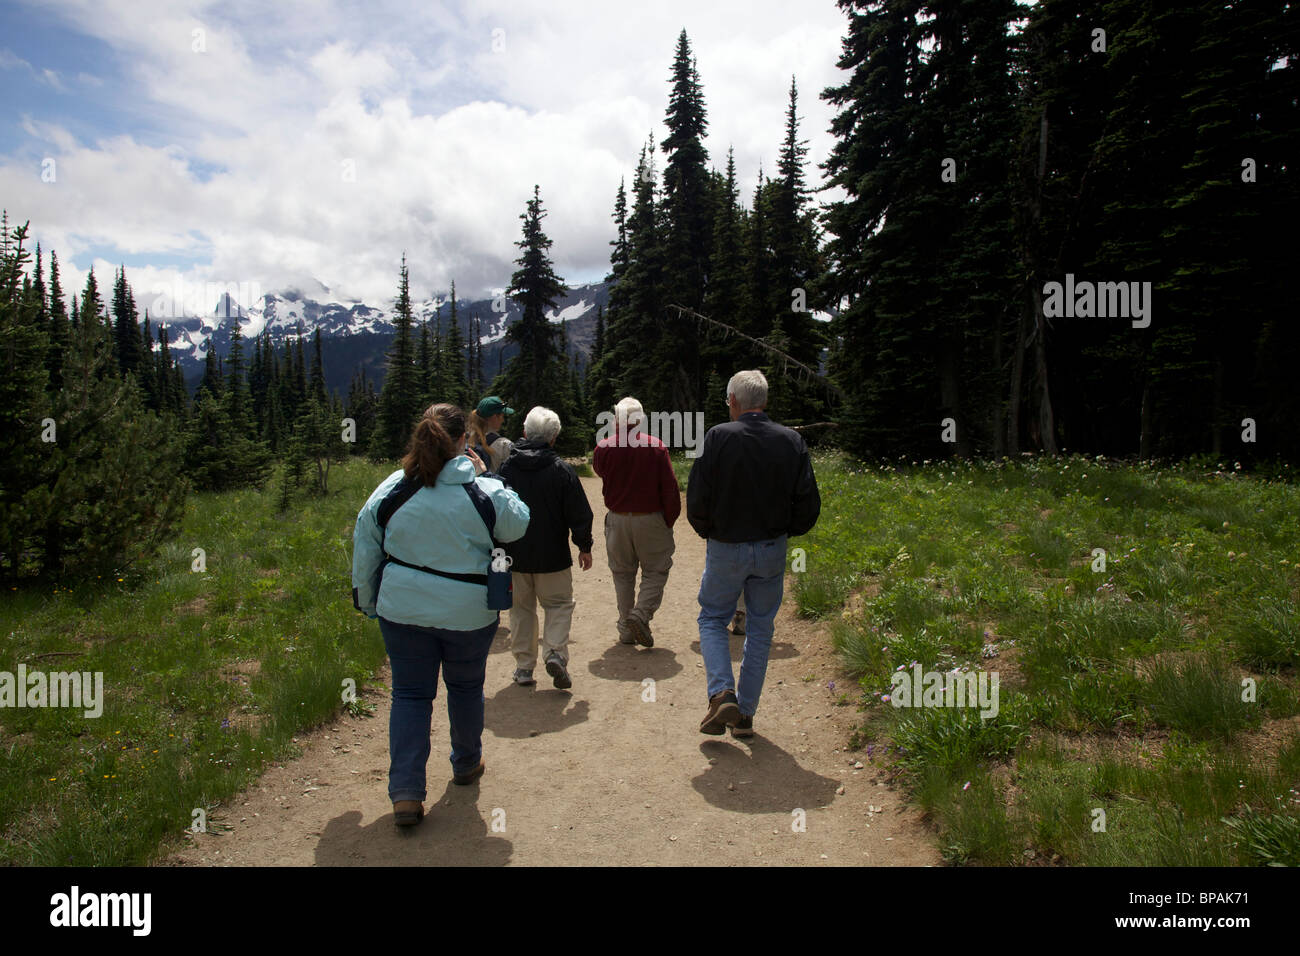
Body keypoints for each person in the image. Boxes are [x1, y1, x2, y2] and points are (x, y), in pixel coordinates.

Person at [352, 403, 530, 826]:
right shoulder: (481, 490)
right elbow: (518, 524)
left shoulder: (394, 487)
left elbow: (366, 540)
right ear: (463, 441)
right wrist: (486, 474)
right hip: (468, 613)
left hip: (403, 608)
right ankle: (466, 763)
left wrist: (366, 599)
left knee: (411, 694)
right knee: (466, 688)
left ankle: (407, 793)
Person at [687, 370, 820, 739]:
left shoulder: (716, 437)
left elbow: (697, 496)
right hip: (772, 548)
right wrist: (785, 531)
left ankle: (721, 693)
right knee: (761, 628)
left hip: (726, 547)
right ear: (764, 402)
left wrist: (707, 531)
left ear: (733, 401)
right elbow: (808, 501)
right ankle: (744, 715)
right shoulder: (791, 440)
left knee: (713, 619)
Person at [497, 406, 594, 689]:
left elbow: (498, 510)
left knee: (521, 610)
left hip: (515, 556)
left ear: (525, 432)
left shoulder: (507, 468)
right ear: (553, 438)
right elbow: (579, 513)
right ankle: (553, 652)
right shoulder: (561, 470)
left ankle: (524, 668)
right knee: (559, 605)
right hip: (553, 556)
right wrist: (584, 546)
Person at [592, 397, 681, 648]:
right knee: (656, 571)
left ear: (616, 420)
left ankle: (626, 628)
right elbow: (670, 489)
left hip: (618, 519)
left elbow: (600, 471)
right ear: (641, 420)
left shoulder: (603, 448)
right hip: (651, 518)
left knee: (622, 574)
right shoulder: (657, 448)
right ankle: (640, 615)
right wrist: (669, 519)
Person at [468, 395, 515, 472]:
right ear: (494, 417)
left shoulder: (468, 441)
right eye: (502, 416)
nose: (503, 420)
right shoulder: (504, 445)